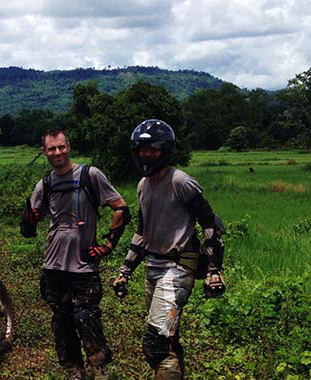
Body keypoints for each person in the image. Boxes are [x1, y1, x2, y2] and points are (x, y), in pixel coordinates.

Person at [111, 119, 226, 379]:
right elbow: (142, 232)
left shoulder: (181, 182)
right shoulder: (143, 185)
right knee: (169, 338)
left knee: (156, 344)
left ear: (165, 150)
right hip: (153, 267)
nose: (146, 154)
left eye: (153, 149)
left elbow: (210, 224)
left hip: (177, 271)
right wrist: (125, 271)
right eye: (142, 149)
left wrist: (214, 269)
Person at [20, 128, 131, 380]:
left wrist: (109, 244)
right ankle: (74, 371)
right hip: (53, 265)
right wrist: (28, 220)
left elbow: (121, 209)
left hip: (83, 265)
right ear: (44, 152)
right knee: (62, 321)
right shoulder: (45, 184)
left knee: (86, 317)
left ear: (68, 146)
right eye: (52, 149)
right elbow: (28, 229)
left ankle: (99, 368)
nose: (57, 152)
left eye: (61, 147)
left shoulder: (90, 175)